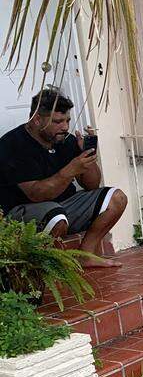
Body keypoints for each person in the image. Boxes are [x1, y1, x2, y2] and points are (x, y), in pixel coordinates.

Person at [0, 86, 127, 267]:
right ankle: (42, 267)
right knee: (56, 217)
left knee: (117, 198)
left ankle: (86, 254)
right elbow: (37, 194)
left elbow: (92, 185)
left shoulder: (64, 139)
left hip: (63, 205)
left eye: (67, 120)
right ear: (37, 120)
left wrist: (87, 157)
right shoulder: (13, 145)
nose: (65, 127)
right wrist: (71, 169)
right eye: (58, 121)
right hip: (23, 210)